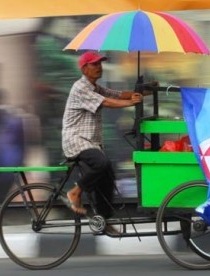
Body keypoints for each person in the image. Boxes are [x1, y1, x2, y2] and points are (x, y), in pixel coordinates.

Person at [62, 51, 143, 235]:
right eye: (94, 64)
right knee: (101, 163)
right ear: (84, 68)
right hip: (76, 141)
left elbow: (118, 94)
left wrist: (143, 91)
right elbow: (107, 102)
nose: (99, 67)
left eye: (100, 63)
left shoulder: (95, 87)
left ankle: (103, 219)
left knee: (108, 173)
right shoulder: (80, 88)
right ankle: (75, 192)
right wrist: (132, 103)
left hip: (89, 143)